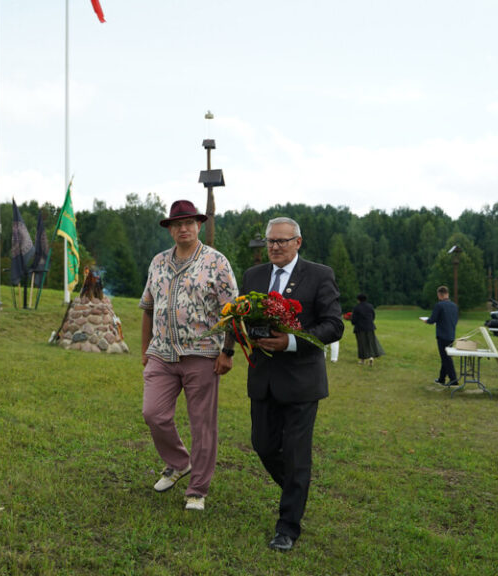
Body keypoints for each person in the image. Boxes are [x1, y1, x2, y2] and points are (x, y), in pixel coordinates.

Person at [241, 217, 344, 551]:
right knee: (264, 446)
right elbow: (241, 316)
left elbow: (333, 325)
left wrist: (292, 342)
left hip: (301, 382)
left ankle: (288, 527)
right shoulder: (253, 276)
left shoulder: (319, 275)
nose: (275, 247)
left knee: (297, 455)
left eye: (282, 241)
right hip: (263, 379)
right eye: (271, 241)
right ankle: (296, 492)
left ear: (298, 242)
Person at [139, 199, 238, 512]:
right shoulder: (157, 262)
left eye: (189, 223)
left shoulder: (216, 261)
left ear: (198, 225)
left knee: (202, 425)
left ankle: (197, 490)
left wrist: (228, 351)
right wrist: (145, 350)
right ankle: (179, 462)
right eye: (176, 224)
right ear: (170, 229)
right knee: (153, 414)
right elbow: (147, 307)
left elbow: (233, 311)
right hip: (161, 354)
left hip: (203, 354)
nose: (183, 228)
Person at [421, 285, 459, 386]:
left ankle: (453, 379)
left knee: (446, 358)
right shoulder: (454, 306)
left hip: (442, 335)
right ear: (447, 294)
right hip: (451, 334)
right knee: (446, 357)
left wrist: (427, 321)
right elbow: (455, 320)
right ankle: (442, 378)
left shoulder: (439, 305)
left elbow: (433, 319)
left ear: (439, 295)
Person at [351, 293, 385, 366]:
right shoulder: (370, 306)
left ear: (358, 299)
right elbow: (373, 316)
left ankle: (362, 360)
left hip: (360, 328)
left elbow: (354, 319)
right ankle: (371, 357)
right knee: (370, 342)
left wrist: (352, 322)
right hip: (370, 327)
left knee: (362, 344)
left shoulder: (357, 307)